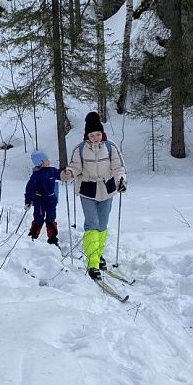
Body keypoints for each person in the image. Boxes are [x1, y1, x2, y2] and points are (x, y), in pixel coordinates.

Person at [61, 112, 127, 280]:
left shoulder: (110, 147)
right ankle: (92, 262)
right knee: (92, 225)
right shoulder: (80, 149)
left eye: (98, 134)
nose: (95, 137)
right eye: (92, 135)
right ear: (87, 135)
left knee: (103, 225)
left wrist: (121, 181)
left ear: (102, 133)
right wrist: (69, 173)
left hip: (107, 189)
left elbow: (118, 167)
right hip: (87, 190)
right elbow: (75, 167)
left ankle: (98, 255)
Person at [24, 150, 60, 245]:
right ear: (41, 163)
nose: (49, 161)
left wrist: (66, 173)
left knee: (51, 218)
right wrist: (28, 201)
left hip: (51, 199)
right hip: (39, 200)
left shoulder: (52, 170)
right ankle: (33, 237)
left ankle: (52, 239)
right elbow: (30, 189)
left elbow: (60, 174)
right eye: (46, 160)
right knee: (38, 218)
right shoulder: (36, 175)